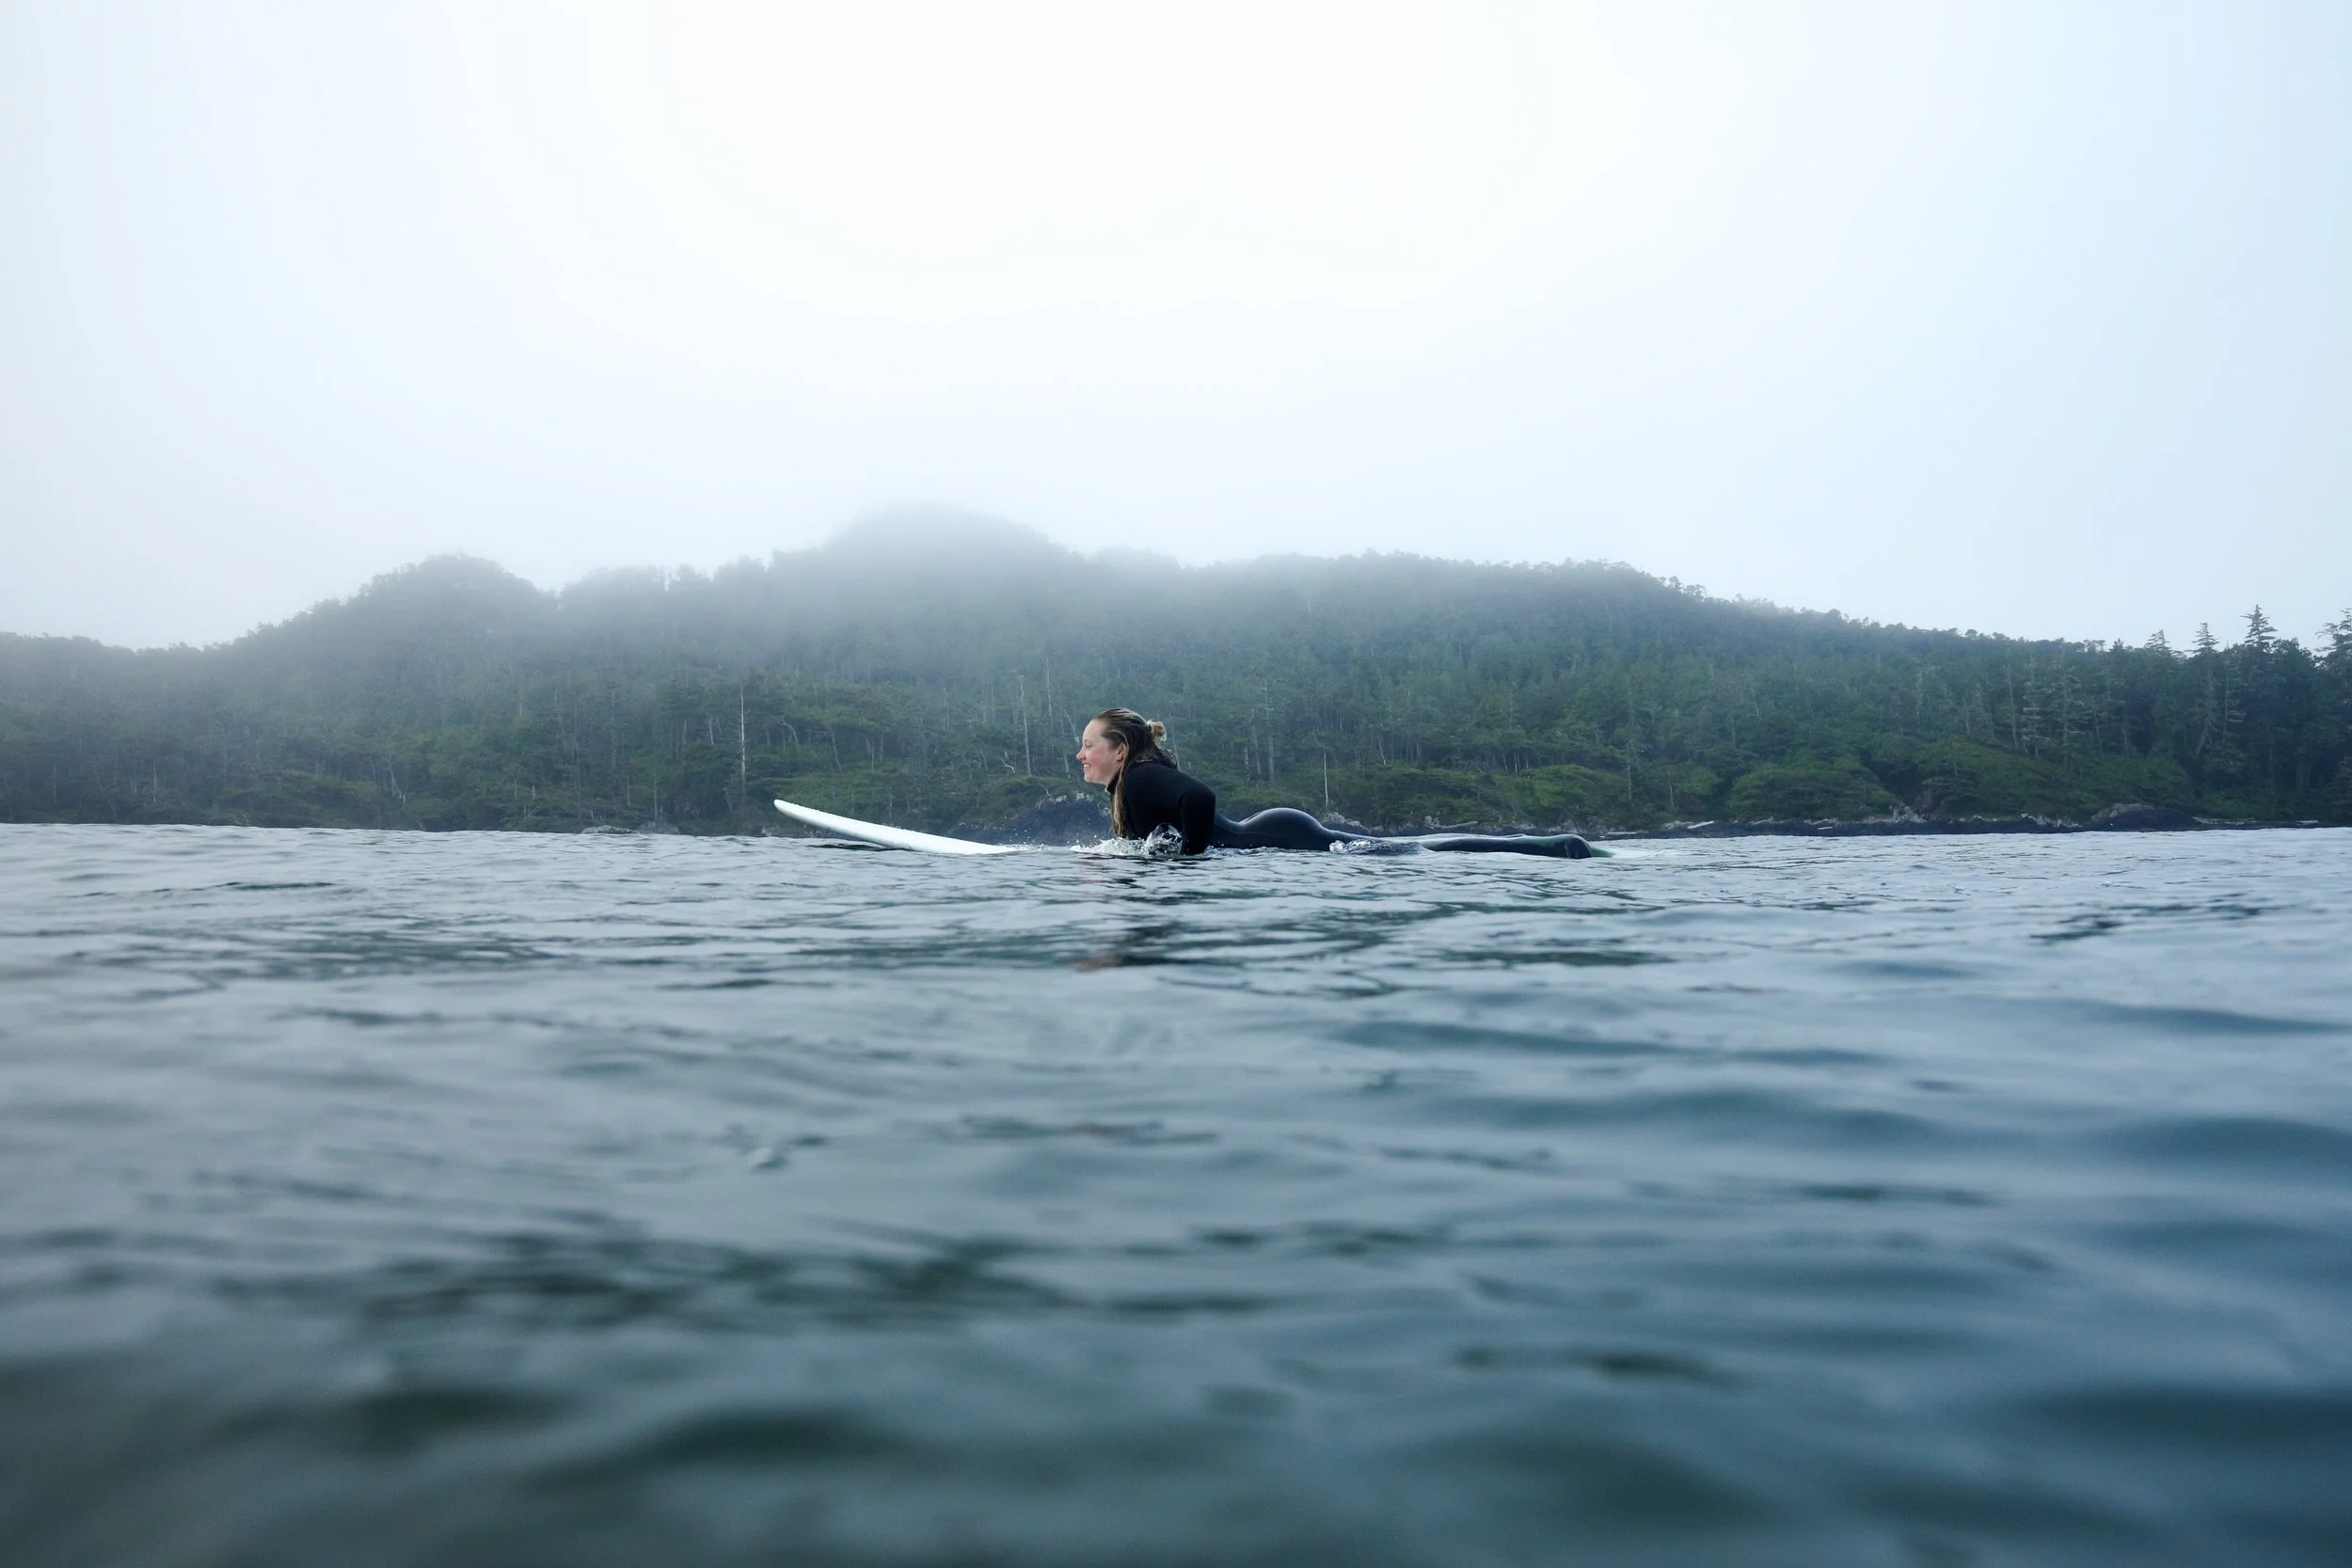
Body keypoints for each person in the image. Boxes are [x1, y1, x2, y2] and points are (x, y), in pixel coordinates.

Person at [1074, 708, 1593, 859]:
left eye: (1089, 744)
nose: (1080, 754)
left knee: (1413, 852)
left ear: (1120, 750)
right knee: (1407, 849)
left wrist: (1190, 859)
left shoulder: (1141, 778)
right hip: (1273, 833)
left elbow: (1200, 798)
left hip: (1280, 838)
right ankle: (1551, 848)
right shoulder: (1134, 783)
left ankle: (1557, 847)